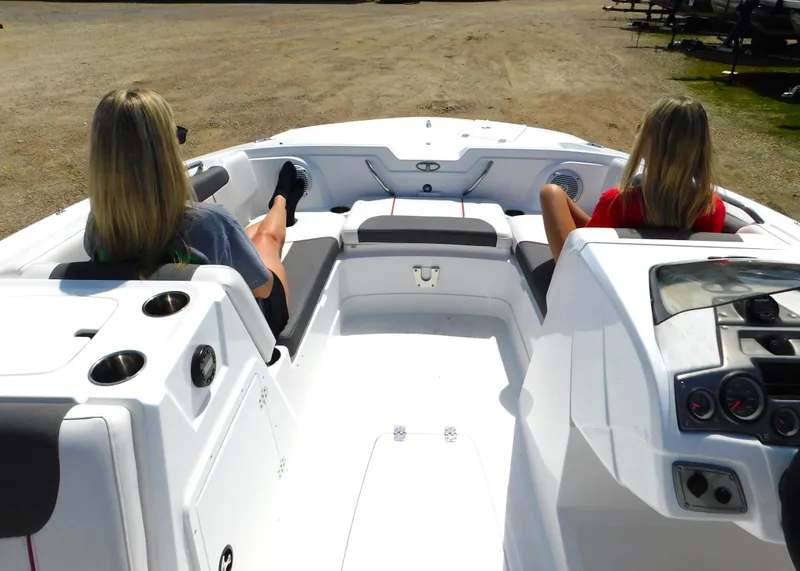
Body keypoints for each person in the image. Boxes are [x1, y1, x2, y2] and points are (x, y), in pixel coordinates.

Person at [83, 88, 305, 340]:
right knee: (267, 240)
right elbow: (264, 289)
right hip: (239, 329)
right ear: (165, 152)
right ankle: (281, 200)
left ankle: (276, 210)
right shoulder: (209, 224)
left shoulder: (96, 227)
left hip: (160, 329)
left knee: (245, 237)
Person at [539, 96, 726, 262]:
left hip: (584, 274)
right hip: (658, 285)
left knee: (551, 193)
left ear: (648, 144)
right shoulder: (712, 207)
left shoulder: (617, 203)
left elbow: (587, 251)